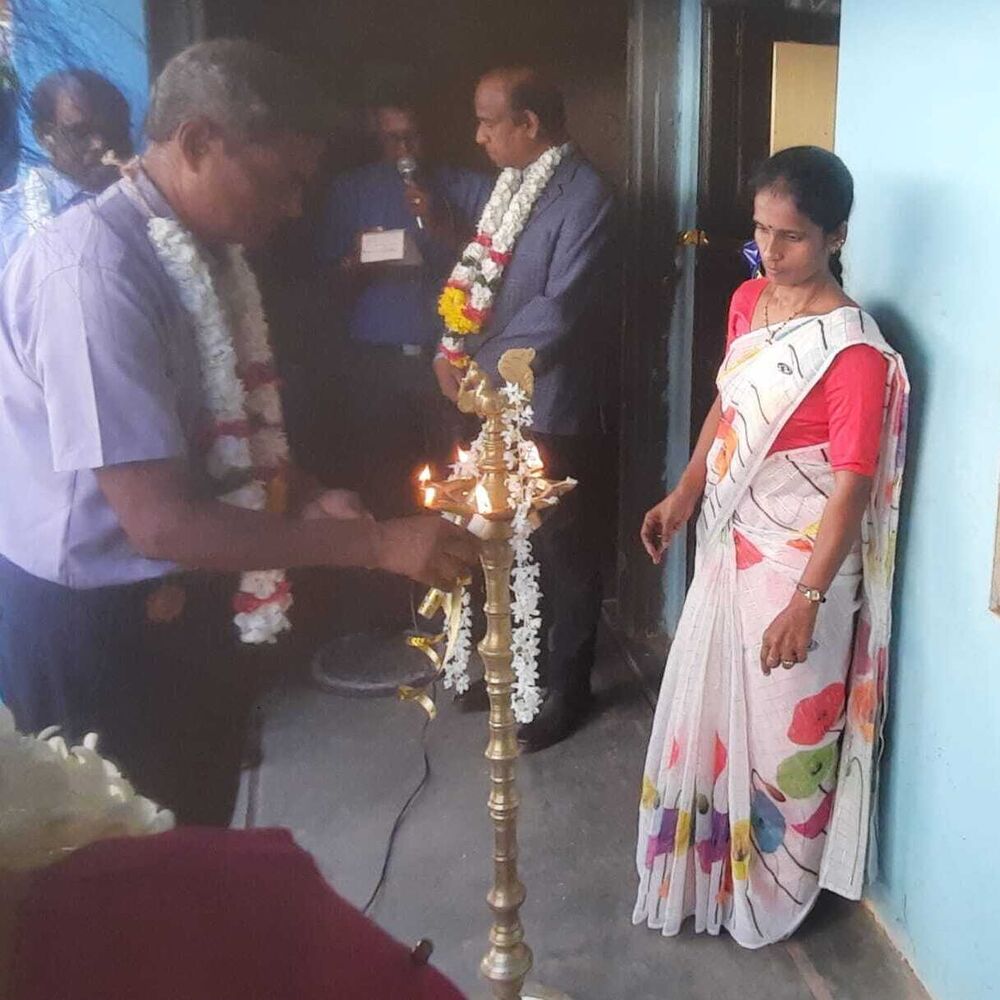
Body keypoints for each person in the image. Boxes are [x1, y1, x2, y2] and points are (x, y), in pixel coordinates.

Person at [0, 40, 476, 828]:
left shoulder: (203, 252)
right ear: (196, 143)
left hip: (187, 611)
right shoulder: (94, 274)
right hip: (97, 634)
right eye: (281, 179)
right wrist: (377, 544)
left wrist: (307, 492)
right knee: (121, 865)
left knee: (196, 842)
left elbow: (224, 430)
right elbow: (160, 523)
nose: (293, 207)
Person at [633, 147, 909, 947]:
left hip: (800, 567)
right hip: (732, 541)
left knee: (784, 736)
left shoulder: (851, 350)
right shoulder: (749, 301)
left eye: (791, 236)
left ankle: (772, 888)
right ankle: (707, 877)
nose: (772, 251)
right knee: (718, 716)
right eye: (761, 231)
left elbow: (851, 486)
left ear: (836, 235)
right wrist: (686, 492)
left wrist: (807, 600)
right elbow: (728, 406)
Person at [432, 67, 616, 752]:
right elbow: (476, 281)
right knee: (498, 536)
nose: (479, 137)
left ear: (529, 123)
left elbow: (558, 309)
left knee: (563, 549)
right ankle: (500, 669)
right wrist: (449, 347)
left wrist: (473, 365)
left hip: (553, 403)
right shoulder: (509, 186)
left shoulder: (587, 196)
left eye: (488, 122)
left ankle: (566, 690)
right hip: (491, 398)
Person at [320, 100, 490, 519]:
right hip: (376, 363)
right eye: (393, 139)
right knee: (382, 478)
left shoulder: (466, 186)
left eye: (412, 137)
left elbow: (495, 264)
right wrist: (356, 260)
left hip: (447, 359)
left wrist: (440, 223)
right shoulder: (350, 191)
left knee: (456, 474)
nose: (405, 150)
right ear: (376, 138)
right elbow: (322, 282)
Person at [0, 69, 132, 270]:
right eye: (80, 132)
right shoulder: (7, 220)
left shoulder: (140, 200)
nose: (99, 144)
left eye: (110, 131)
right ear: (44, 136)